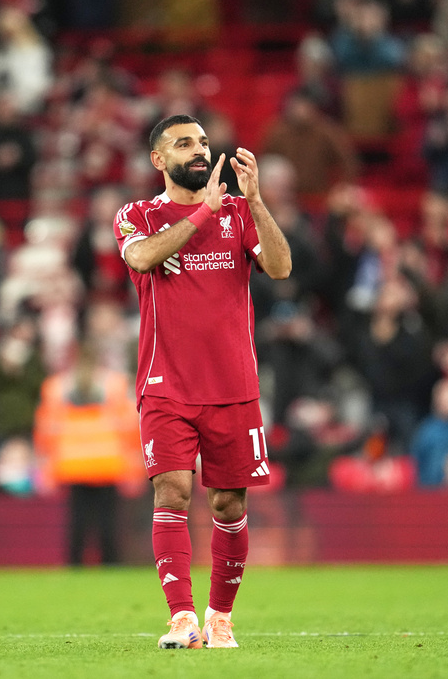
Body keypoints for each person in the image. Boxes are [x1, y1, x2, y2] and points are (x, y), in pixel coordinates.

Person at [115, 115, 291, 649]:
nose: (199, 151)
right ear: (157, 159)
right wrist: (202, 215)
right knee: (172, 489)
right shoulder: (137, 214)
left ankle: (220, 618)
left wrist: (255, 201)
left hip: (232, 384)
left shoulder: (239, 213)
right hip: (165, 382)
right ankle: (182, 618)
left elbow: (281, 268)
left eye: (203, 142)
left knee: (228, 505)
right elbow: (142, 256)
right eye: (184, 143)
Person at [33, 342, 143, 566]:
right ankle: (110, 566)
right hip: (108, 461)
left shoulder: (56, 387)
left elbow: (45, 428)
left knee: (77, 521)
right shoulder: (116, 384)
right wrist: (135, 466)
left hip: (72, 462)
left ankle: (75, 566)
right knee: (108, 521)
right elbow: (130, 426)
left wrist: (46, 465)